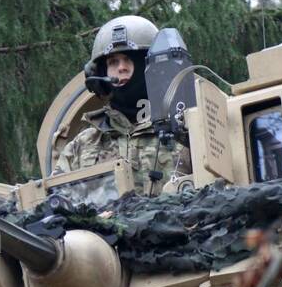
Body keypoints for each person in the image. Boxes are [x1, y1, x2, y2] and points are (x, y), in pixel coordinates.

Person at [55, 15, 191, 195]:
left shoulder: (184, 130)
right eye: (113, 62)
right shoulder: (82, 145)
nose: (121, 68)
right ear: (101, 75)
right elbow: (56, 202)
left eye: (129, 60)